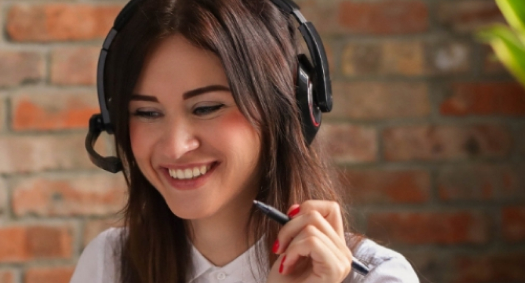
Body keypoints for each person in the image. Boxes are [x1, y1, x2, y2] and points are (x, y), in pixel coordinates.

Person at [71, 0, 419, 282]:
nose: (175, 147)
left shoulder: (378, 276)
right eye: (147, 113)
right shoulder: (109, 265)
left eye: (206, 108)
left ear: (289, 110)